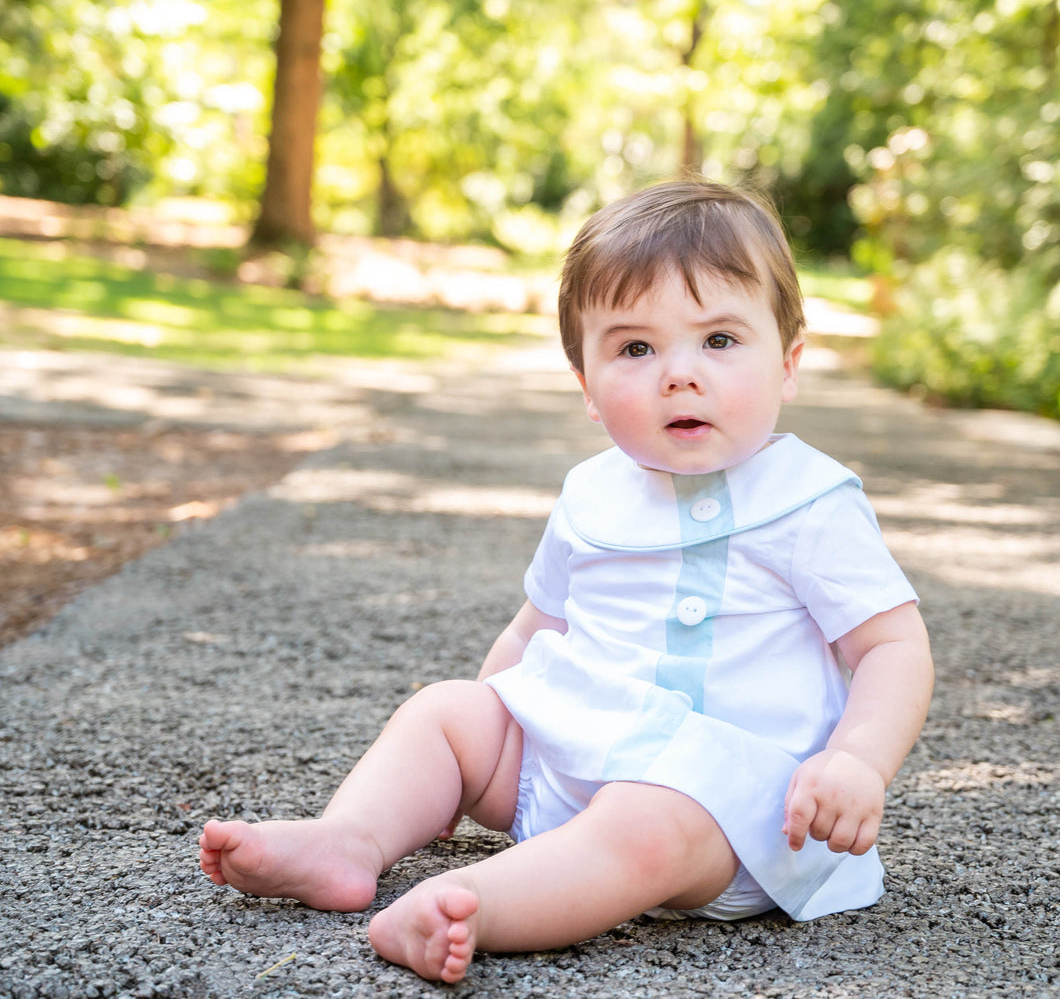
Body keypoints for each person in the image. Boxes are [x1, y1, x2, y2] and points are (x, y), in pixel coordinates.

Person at [198, 178, 933, 984]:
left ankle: (469, 902)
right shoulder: (593, 494)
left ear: (789, 363)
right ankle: (351, 839)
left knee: (647, 823)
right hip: (569, 769)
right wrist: (486, 732)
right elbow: (534, 627)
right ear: (586, 384)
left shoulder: (810, 503)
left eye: (719, 340)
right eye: (635, 348)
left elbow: (892, 645)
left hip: (736, 815)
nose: (678, 375)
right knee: (445, 711)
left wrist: (859, 761)